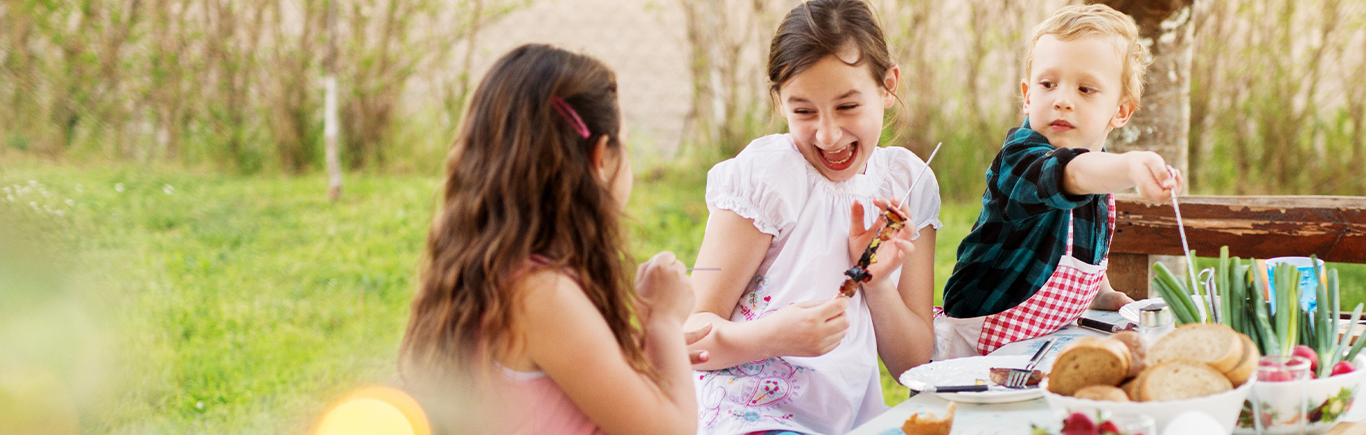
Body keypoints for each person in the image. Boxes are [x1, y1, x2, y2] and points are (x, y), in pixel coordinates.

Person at [397, 44, 704, 435]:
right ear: (600, 158)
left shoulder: (493, 268)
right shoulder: (541, 295)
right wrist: (664, 318)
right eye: (622, 144)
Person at [683, 1, 942, 433]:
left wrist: (875, 283)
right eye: (803, 111)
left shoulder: (907, 183)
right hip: (748, 415)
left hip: (848, 422)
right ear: (779, 103)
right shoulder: (767, 179)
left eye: (847, 107)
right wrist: (773, 337)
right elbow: (688, 336)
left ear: (887, 86)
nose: (827, 134)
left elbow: (914, 365)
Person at [936, 4, 1184, 359]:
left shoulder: (1096, 172)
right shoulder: (1020, 158)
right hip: (971, 353)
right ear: (1027, 95)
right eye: (1048, 84)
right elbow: (1068, 174)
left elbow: (1084, 246)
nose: (1063, 100)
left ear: (1121, 111)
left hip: (1038, 348)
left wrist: (1102, 293)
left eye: (1086, 89)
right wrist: (1130, 165)